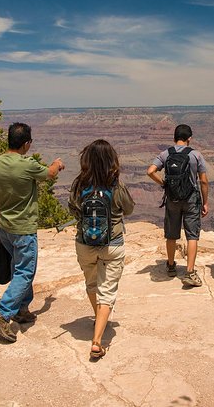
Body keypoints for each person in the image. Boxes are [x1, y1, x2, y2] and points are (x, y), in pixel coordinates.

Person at [0, 122, 64, 343]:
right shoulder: (26, 164)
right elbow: (49, 173)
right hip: (24, 228)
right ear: (26, 144)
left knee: (17, 268)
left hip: (4, 228)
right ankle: (3, 313)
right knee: (25, 272)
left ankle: (22, 310)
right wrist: (57, 163)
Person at [68, 139, 135, 359]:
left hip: (84, 243)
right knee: (107, 292)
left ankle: (99, 319)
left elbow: (73, 209)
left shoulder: (79, 185)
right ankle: (97, 341)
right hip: (112, 244)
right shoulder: (115, 184)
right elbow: (129, 209)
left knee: (92, 284)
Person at [147, 124, 209, 287]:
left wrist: (164, 184)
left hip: (172, 198)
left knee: (171, 234)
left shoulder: (166, 154)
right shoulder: (196, 155)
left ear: (174, 137)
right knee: (192, 235)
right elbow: (203, 180)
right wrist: (205, 201)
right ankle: (189, 271)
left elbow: (150, 171)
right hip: (191, 199)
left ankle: (171, 265)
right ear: (189, 138)